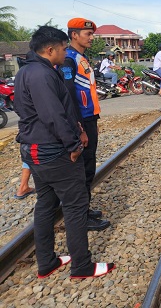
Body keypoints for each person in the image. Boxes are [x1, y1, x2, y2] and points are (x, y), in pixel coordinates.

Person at [14, 26, 114, 279]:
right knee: (76, 205)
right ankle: (82, 266)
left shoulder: (27, 70)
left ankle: (46, 262)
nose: (64, 51)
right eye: (61, 48)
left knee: (46, 204)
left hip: (34, 150)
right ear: (50, 50)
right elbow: (53, 115)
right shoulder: (42, 74)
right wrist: (73, 145)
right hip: (51, 148)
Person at [60, 18, 110, 231]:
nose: (91, 37)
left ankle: (85, 209)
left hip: (89, 119)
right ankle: (81, 217)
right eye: (87, 34)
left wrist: (93, 121)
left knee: (88, 167)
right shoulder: (69, 59)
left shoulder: (81, 57)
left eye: (91, 34)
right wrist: (79, 127)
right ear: (74, 35)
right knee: (83, 170)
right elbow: (69, 96)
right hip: (81, 122)